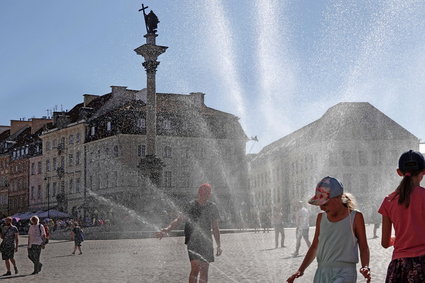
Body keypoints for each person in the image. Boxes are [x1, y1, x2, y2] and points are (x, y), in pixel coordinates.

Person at [287, 176, 371, 283]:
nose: (321, 208)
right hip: (322, 272)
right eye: (319, 204)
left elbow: (363, 247)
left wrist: (365, 266)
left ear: (339, 197)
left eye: (325, 203)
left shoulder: (355, 217)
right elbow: (314, 247)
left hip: (345, 272)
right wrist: (300, 270)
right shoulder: (320, 218)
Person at [156, 183, 222, 283]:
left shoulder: (212, 207)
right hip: (193, 241)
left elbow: (215, 227)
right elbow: (179, 220)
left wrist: (219, 245)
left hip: (206, 241)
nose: (204, 195)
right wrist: (167, 229)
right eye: (202, 192)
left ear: (209, 195)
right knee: (195, 268)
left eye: (207, 193)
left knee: (204, 269)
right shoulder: (191, 205)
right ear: (199, 193)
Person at [378, 150, 425, 282]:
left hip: (400, 265)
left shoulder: (389, 201)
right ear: (424, 171)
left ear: (399, 172)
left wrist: (398, 238)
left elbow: (384, 243)